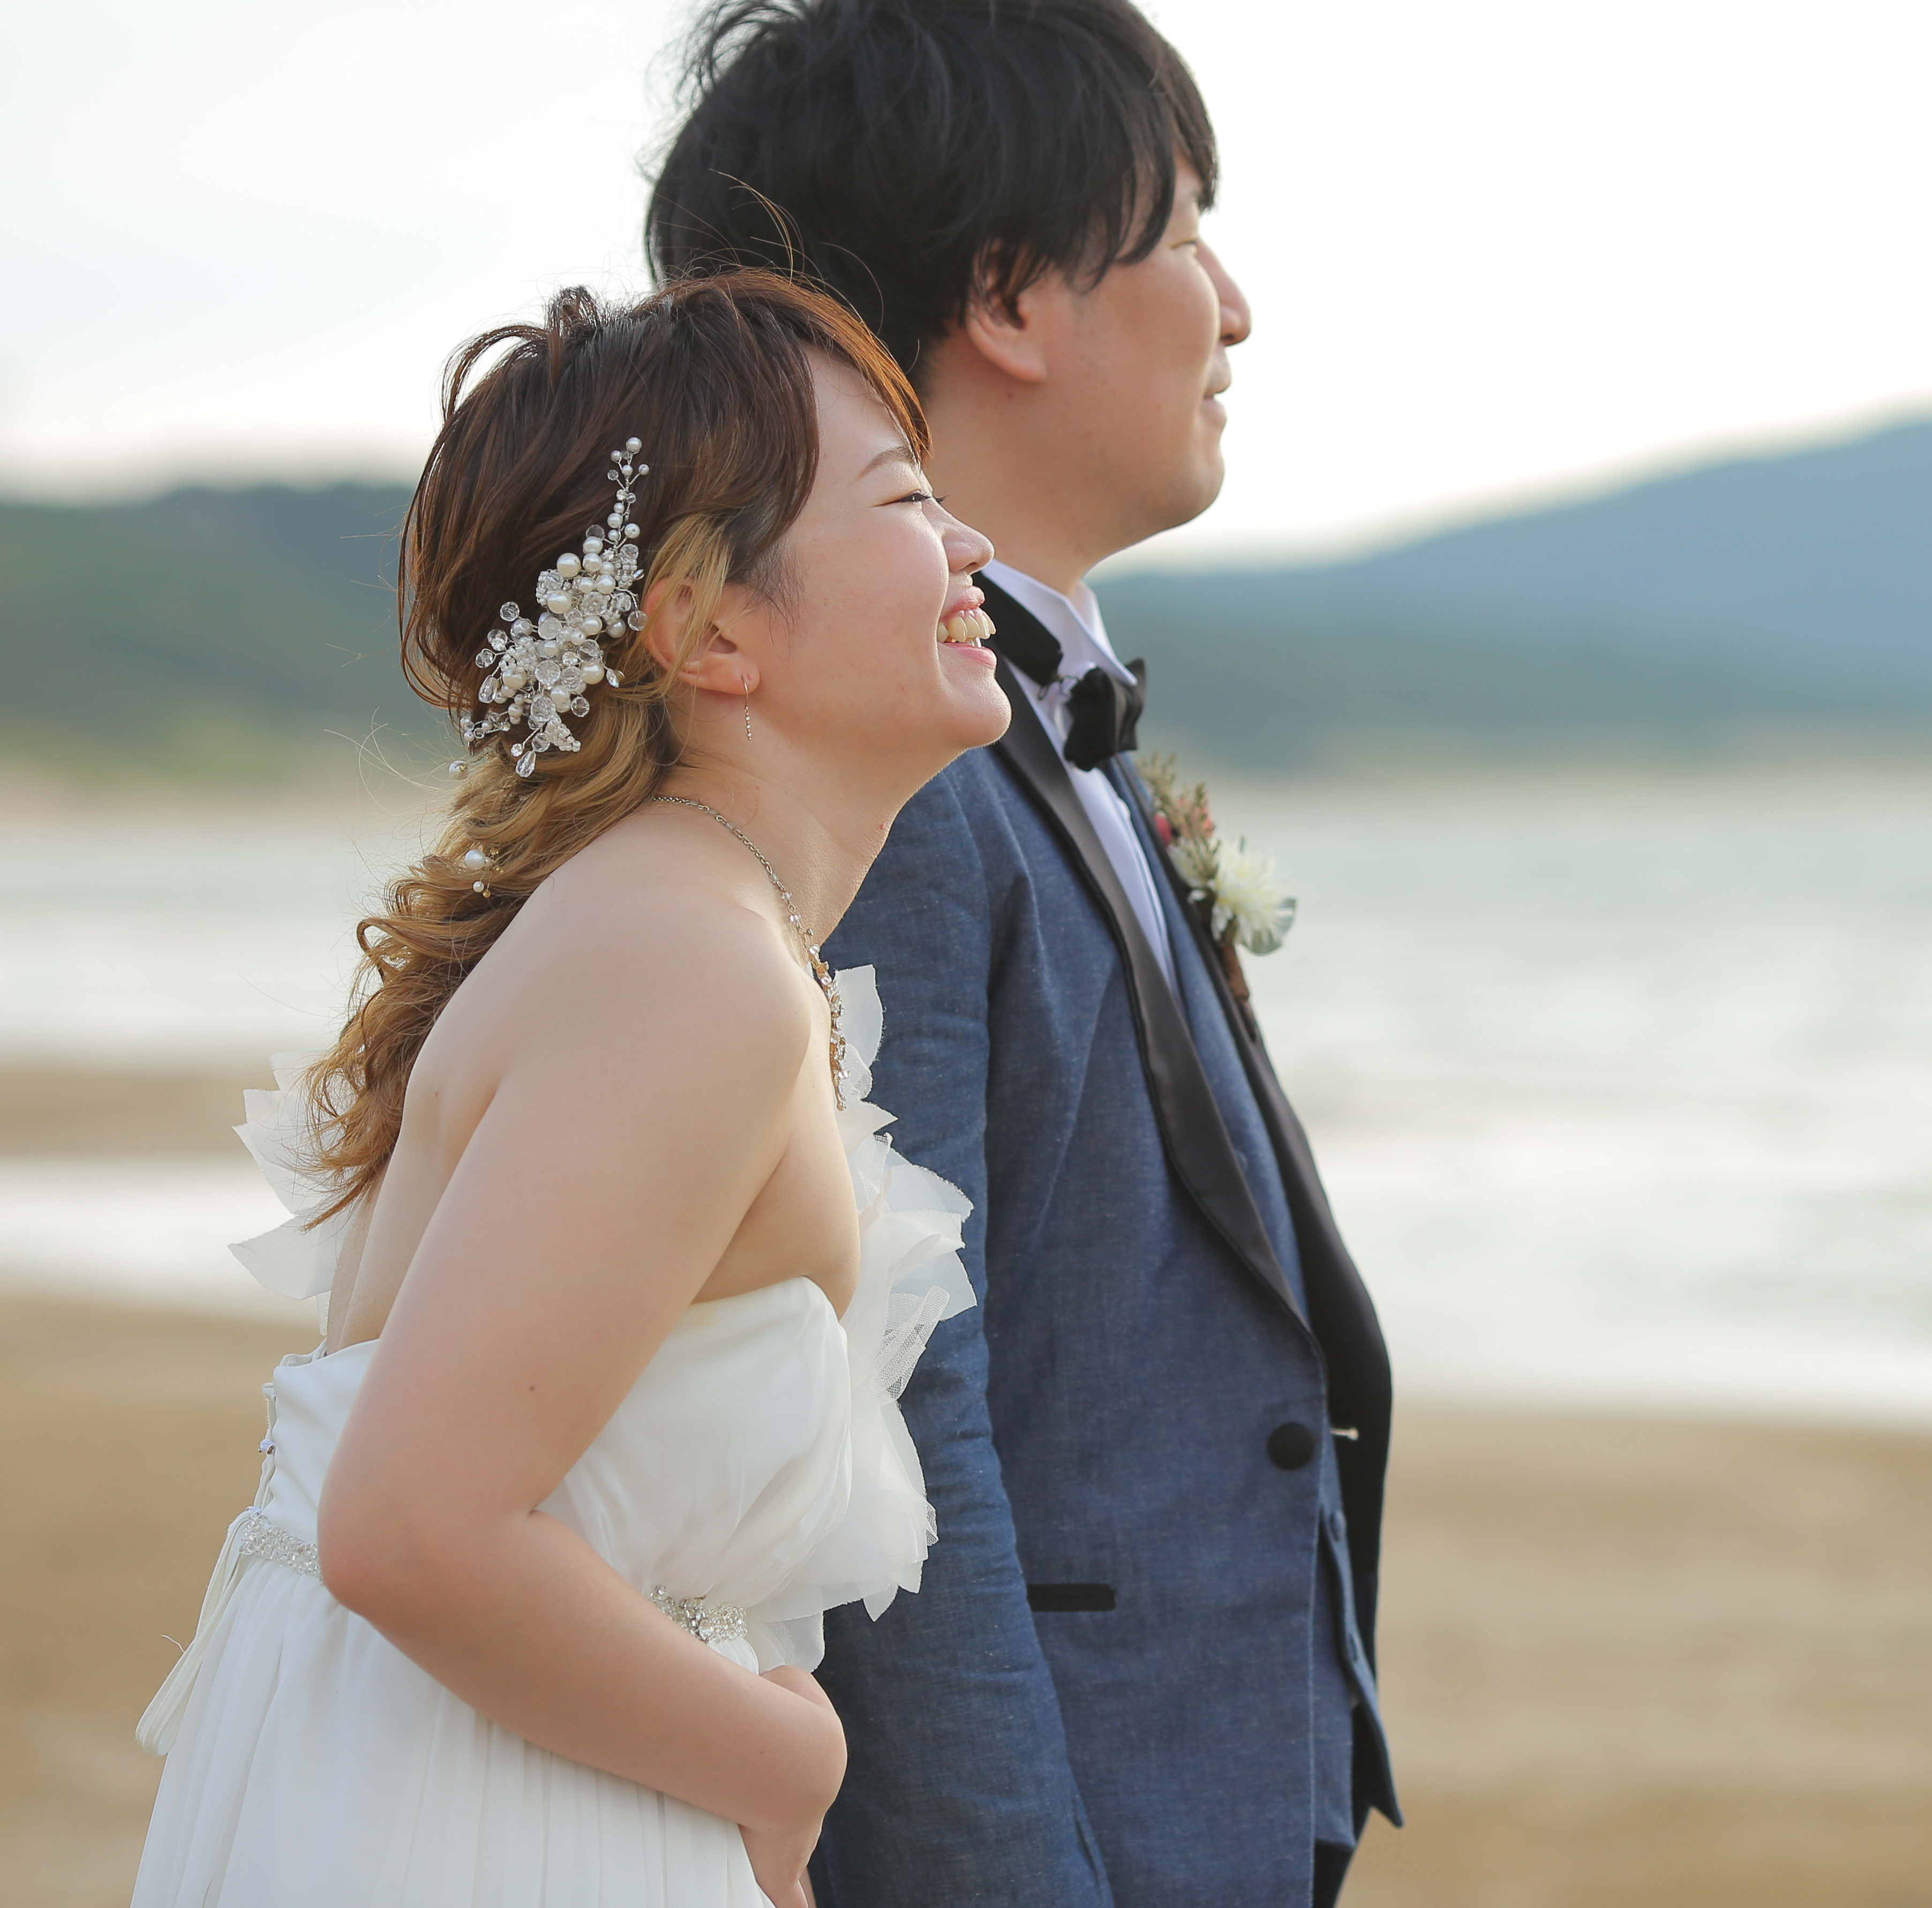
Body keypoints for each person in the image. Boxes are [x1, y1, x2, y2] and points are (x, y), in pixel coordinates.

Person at [129, 270, 1011, 1908]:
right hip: (492, 1817)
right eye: (905, 498)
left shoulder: (673, 921)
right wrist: (789, 1763)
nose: (970, 545)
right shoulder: (688, 960)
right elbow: (411, 1528)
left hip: (478, 1780)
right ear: (708, 628)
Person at [648, 5, 1399, 1904]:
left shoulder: (1021, 723)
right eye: (1187, 232)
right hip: (1069, 1816)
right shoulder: (891, 776)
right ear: (1007, 297)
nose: (1236, 308)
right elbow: (893, 1397)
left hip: (1209, 1778)